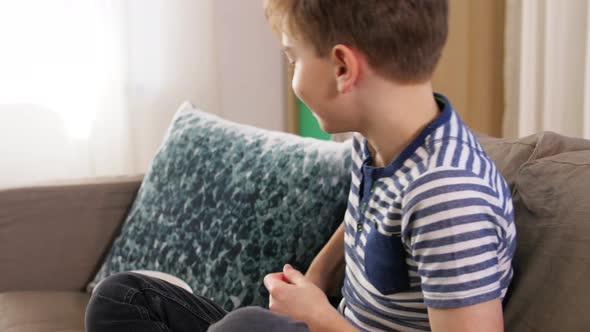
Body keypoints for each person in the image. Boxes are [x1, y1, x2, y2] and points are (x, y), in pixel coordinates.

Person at [85, 1, 516, 331]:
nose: (293, 73)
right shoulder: (384, 147)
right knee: (123, 297)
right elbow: (366, 223)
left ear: (343, 67)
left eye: (293, 58)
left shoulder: (448, 193)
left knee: (246, 326)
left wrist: (322, 319)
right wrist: (316, 278)